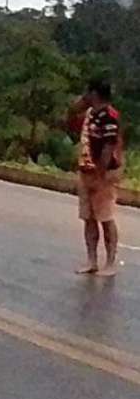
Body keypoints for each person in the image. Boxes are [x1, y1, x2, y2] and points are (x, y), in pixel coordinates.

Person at [70, 80, 124, 277]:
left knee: (105, 218)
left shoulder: (109, 117)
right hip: (86, 169)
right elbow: (70, 117)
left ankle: (110, 262)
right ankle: (91, 260)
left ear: (94, 93)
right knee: (89, 218)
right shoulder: (90, 114)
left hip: (103, 174)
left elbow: (109, 148)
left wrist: (100, 175)